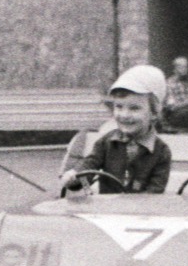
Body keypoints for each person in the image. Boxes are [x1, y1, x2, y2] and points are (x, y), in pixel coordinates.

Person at [60, 64, 173, 195]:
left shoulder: (161, 152)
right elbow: (89, 168)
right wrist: (75, 179)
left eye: (134, 108)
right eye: (119, 107)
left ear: (154, 112)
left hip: (141, 213)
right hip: (106, 212)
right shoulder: (106, 142)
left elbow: (155, 191)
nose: (124, 115)